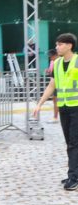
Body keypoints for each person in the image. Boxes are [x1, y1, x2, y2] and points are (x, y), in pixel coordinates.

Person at [33, 33, 78, 190]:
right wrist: (40, 104)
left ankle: (73, 177)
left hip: (77, 108)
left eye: (60, 44)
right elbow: (52, 85)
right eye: (57, 44)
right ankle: (74, 174)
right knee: (70, 142)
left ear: (69, 45)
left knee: (74, 143)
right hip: (64, 108)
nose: (57, 47)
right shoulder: (57, 63)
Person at [44, 49, 59, 123]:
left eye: (51, 56)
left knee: (56, 100)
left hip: (60, 83)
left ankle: (55, 117)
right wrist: (48, 70)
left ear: (56, 55)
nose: (50, 58)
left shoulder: (59, 61)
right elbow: (51, 71)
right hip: (55, 82)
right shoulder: (52, 62)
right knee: (55, 100)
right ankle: (55, 117)